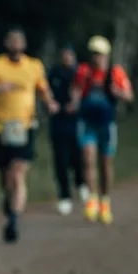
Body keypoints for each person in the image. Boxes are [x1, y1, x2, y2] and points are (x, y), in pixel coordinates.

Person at [0, 27, 59, 243]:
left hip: (24, 126)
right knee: (5, 175)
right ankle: (9, 198)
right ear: (6, 44)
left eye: (18, 41)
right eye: (11, 41)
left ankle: (14, 219)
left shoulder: (33, 66)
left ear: (24, 45)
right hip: (0, 127)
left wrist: (50, 103)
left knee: (18, 173)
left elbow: (43, 89)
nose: (15, 45)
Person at [70, 35, 133, 224]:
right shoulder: (83, 72)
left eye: (100, 54)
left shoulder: (115, 73)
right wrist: (74, 100)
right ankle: (92, 199)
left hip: (107, 124)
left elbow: (129, 96)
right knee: (88, 159)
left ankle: (105, 201)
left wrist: (117, 92)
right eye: (94, 54)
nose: (96, 58)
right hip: (87, 122)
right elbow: (75, 89)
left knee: (105, 164)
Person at [45, 44, 87, 214]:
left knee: (78, 156)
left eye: (69, 55)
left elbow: (85, 91)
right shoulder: (53, 73)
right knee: (60, 160)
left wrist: (77, 103)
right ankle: (64, 195)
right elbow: (45, 92)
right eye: (64, 55)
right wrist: (50, 104)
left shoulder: (80, 73)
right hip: (58, 120)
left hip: (76, 120)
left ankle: (81, 183)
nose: (66, 58)